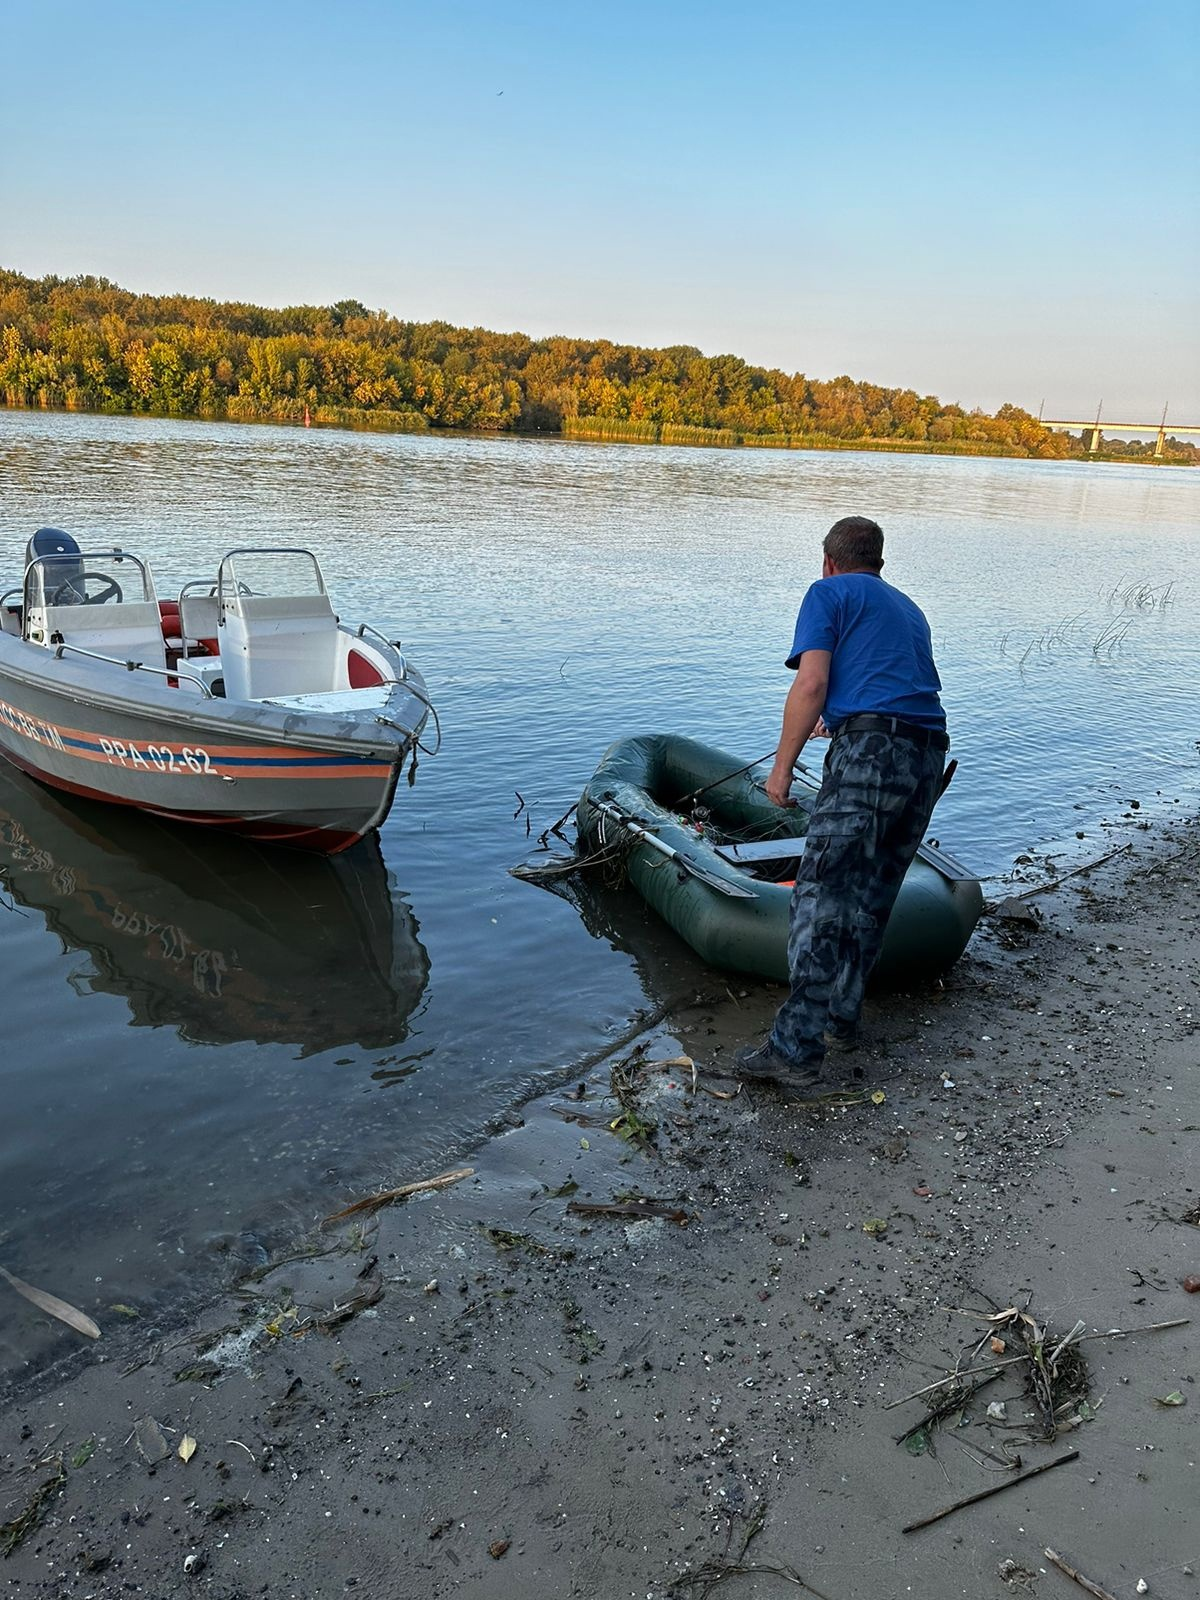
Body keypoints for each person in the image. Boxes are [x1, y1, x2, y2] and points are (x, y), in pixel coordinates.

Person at [734, 515, 949, 1093]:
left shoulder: (826, 592)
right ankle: (840, 1019)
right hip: (927, 752)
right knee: (873, 894)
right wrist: (847, 722)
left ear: (828, 560)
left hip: (873, 753)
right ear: (878, 562)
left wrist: (781, 770)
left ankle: (794, 1053)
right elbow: (891, 687)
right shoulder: (907, 608)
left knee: (821, 895)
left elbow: (811, 683)